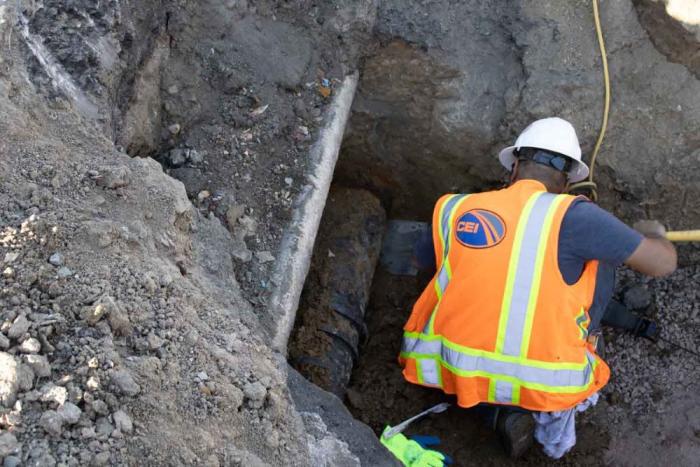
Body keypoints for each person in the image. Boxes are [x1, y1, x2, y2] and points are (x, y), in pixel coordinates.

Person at [400, 117, 677, 459]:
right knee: (601, 258)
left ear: (514, 166)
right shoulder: (576, 216)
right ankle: (517, 411)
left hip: (445, 367)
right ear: (566, 180)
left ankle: (490, 410)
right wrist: (656, 234)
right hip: (546, 382)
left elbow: (423, 263)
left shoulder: (454, 208)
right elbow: (662, 263)